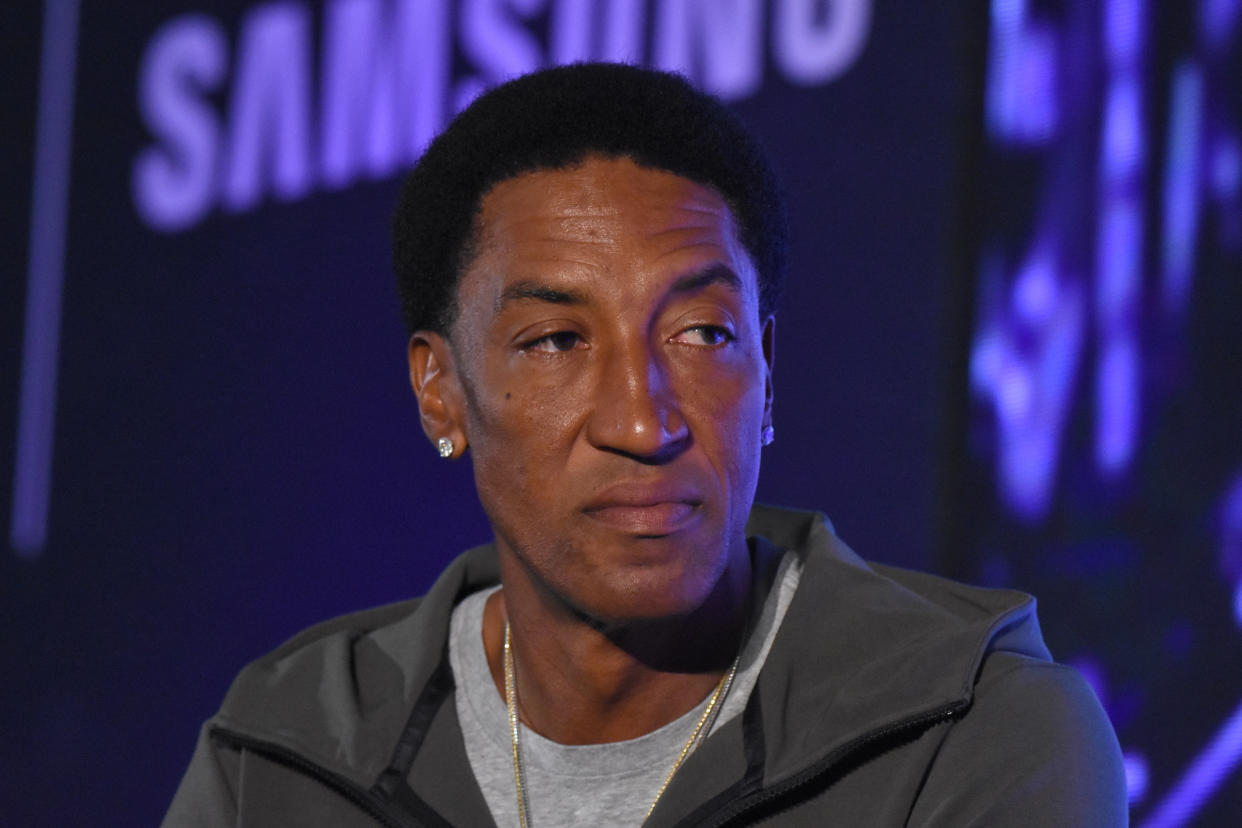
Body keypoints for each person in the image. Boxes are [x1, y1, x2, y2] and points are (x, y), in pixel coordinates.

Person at [164, 63, 1127, 827]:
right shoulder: (288, 752)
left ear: (767, 366)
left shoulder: (971, 731)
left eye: (703, 335)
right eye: (557, 342)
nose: (643, 422)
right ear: (440, 392)